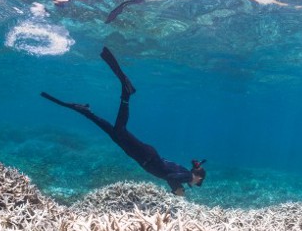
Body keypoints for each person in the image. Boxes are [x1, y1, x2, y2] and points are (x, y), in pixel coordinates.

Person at [41, 47, 205, 195]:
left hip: (145, 156)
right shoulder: (186, 176)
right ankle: (126, 93)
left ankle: (86, 112)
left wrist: (178, 186)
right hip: (146, 156)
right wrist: (177, 190)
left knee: (114, 134)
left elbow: (174, 174)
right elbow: (170, 176)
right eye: (199, 182)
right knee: (119, 131)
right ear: (197, 177)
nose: (196, 183)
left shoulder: (185, 173)